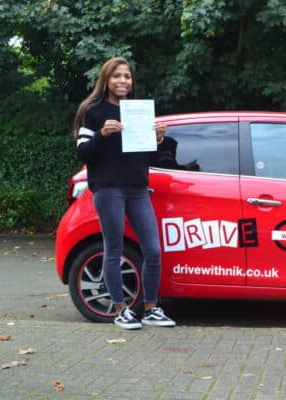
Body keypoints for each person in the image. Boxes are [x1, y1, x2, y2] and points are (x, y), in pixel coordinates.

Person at [72, 57, 175, 330]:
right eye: (116, 76)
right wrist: (101, 134)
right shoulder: (92, 111)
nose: (122, 81)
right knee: (114, 250)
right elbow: (83, 151)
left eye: (127, 77)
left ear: (132, 82)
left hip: (138, 188)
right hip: (108, 189)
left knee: (153, 249)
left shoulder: (137, 110)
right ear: (105, 79)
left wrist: (159, 138)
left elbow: (149, 155)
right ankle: (121, 309)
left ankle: (151, 308)